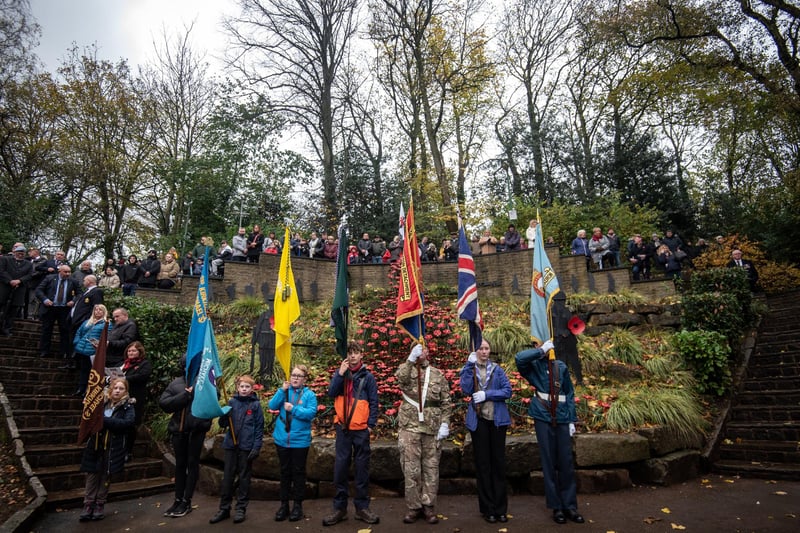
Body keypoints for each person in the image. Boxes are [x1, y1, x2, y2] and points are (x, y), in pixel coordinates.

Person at [515, 340, 584, 525]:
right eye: (540, 346)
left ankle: (570, 505)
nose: (546, 349)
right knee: (549, 462)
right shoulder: (534, 366)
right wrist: (539, 351)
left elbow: (569, 393)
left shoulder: (560, 366)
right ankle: (556, 507)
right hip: (543, 416)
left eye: (547, 346)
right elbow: (519, 359)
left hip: (561, 416)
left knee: (566, 462)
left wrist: (571, 419)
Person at [323, 341, 380, 526]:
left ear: (361, 355)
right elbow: (331, 392)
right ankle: (339, 508)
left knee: (362, 469)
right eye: (350, 353)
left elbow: (374, 401)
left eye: (356, 352)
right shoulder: (341, 374)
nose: (353, 356)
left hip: (361, 430)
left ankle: (362, 508)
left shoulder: (368, 377)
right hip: (343, 429)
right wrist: (340, 374)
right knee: (340, 469)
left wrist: (370, 425)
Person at [396, 344, 453, 524]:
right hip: (410, 428)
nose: (423, 352)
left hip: (431, 429)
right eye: (418, 349)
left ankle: (428, 506)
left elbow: (446, 402)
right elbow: (400, 380)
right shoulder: (405, 369)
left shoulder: (437, 374)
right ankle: (414, 507)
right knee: (411, 469)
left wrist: (445, 423)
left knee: (431, 469)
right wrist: (410, 360)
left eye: (425, 349)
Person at [459, 339, 512, 524]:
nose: (483, 351)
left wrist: (487, 394)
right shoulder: (471, 369)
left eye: (486, 348)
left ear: (490, 351)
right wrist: (468, 364)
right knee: (483, 466)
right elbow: (465, 389)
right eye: (480, 348)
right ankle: (488, 509)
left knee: (498, 465)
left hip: (497, 421)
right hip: (479, 422)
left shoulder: (497, 369)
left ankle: (501, 509)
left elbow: (507, 391)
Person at [159, 355, 213, 518]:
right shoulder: (176, 383)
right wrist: (184, 396)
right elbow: (164, 403)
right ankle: (177, 499)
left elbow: (212, 402)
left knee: (192, 462)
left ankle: (186, 500)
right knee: (180, 464)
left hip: (196, 430)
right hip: (179, 430)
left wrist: (203, 423)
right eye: (186, 365)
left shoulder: (205, 382)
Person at [78, 377, 136, 522]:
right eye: (115, 387)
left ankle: (99, 504)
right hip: (95, 445)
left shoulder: (127, 407)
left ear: (125, 391)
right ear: (111, 388)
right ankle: (88, 504)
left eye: (121, 388)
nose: (117, 391)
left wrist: (104, 421)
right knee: (92, 475)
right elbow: (89, 418)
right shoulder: (101, 404)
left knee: (105, 476)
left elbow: (127, 423)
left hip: (113, 447)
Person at [210, 375, 264, 525]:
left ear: (252, 389)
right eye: (242, 387)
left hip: (246, 447)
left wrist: (256, 446)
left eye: (247, 387)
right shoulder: (231, 402)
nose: (244, 389)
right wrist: (224, 417)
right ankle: (224, 508)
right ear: (237, 388)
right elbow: (222, 424)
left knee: (244, 478)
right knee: (227, 478)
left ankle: (241, 508)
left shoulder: (255, 405)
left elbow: (259, 428)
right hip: (231, 446)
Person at [268, 364, 318, 522]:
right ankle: (284, 505)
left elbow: (311, 413)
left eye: (299, 376)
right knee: (284, 473)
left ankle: (297, 506)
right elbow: (272, 406)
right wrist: (280, 390)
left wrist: (294, 409)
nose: (295, 378)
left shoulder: (309, 395)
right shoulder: (285, 391)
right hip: (282, 439)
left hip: (300, 441)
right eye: (293, 375)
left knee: (298, 473)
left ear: (304, 379)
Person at [36, 264, 79, 359]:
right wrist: (45, 300)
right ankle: (44, 350)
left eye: (69, 272)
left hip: (64, 309)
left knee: (64, 331)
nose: (68, 274)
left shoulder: (73, 281)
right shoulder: (49, 278)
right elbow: (39, 290)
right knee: (46, 329)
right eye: (65, 272)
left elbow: (79, 294)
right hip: (50, 308)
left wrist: (73, 301)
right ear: (60, 271)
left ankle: (63, 352)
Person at [64, 274, 104, 370]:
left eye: (85, 280)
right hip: (74, 322)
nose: (83, 282)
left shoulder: (96, 291)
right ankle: (70, 362)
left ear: (90, 281)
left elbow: (96, 307)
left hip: (82, 322)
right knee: (72, 341)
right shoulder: (86, 292)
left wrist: (86, 320)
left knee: (77, 342)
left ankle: (74, 363)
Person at [121, 341, 152, 462]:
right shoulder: (124, 364)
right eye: (129, 351)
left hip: (135, 398)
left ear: (140, 352)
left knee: (131, 425)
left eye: (133, 350)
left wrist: (125, 378)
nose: (131, 353)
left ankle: (128, 451)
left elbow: (143, 376)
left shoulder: (145, 364)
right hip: (121, 398)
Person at [72, 304, 110, 397]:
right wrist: (76, 342)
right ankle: (81, 388)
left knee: (91, 371)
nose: (97, 311)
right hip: (82, 349)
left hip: (93, 351)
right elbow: (79, 332)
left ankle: (87, 390)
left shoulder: (106, 323)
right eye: (96, 310)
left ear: (104, 312)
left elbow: (107, 337)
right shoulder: (87, 322)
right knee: (83, 370)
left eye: (100, 310)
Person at [0, 244, 33, 335]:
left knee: (13, 310)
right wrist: (10, 281)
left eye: (22, 253)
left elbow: (30, 275)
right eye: (19, 252)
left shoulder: (29, 264)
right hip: (5, 288)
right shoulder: (5, 259)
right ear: (14, 252)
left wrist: (19, 281)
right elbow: (1, 271)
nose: (20, 254)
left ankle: (7, 328)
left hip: (19, 289)